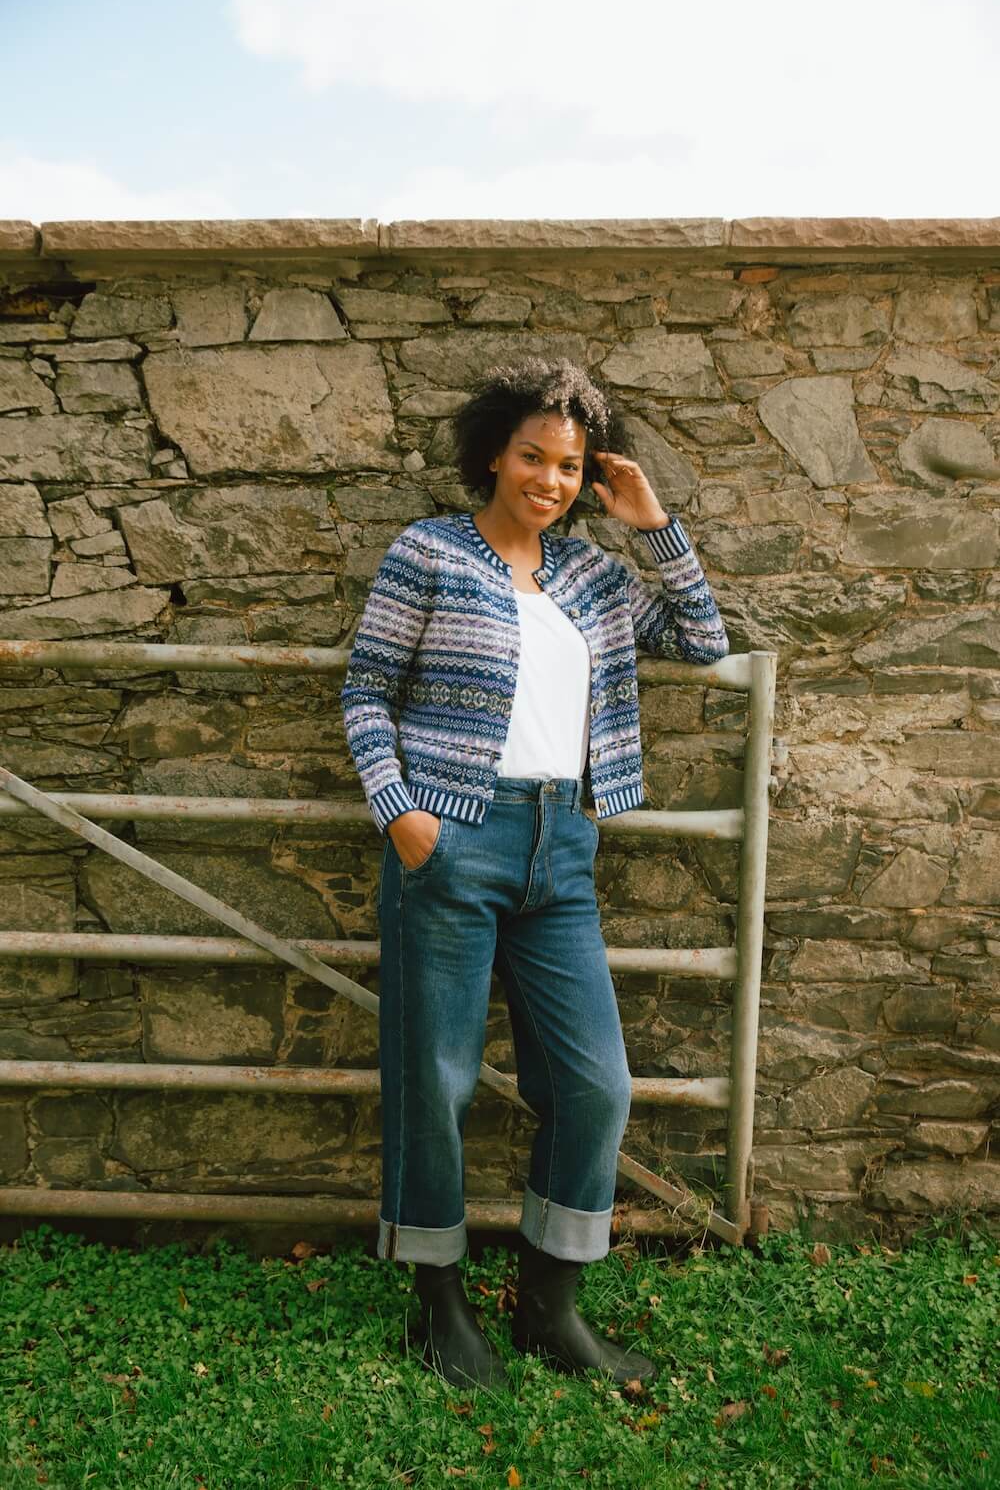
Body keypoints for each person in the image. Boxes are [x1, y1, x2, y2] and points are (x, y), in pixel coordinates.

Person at [339, 356, 730, 1390]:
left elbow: (702, 638)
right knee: (437, 1080)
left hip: (562, 848)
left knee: (596, 1084)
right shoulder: (429, 552)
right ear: (492, 457)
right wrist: (401, 813)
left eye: (568, 466)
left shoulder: (594, 576)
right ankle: (438, 1305)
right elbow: (366, 691)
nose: (549, 480)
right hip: (449, 842)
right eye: (532, 457)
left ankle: (549, 1308)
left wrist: (652, 523)